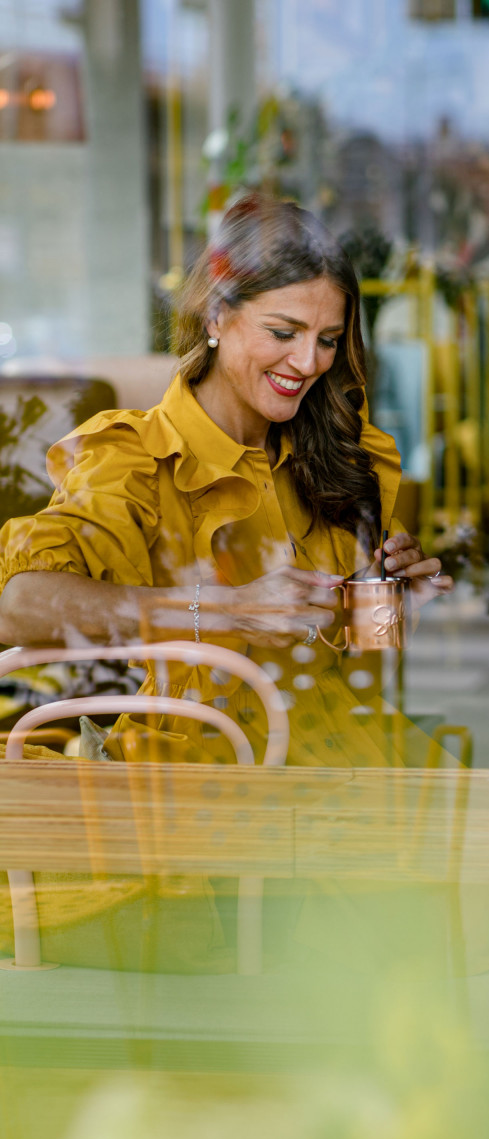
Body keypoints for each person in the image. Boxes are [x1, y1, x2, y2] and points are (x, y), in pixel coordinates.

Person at [0, 193, 452, 768]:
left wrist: (389, 601)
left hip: (336, 755)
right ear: (216, 316)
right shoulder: (133, 459)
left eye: (328, 339)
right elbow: (18, 607)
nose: (310, 362)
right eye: (284, 332)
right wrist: (222, 609)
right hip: (199, 772)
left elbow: (364, 658)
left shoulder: (338, 453)